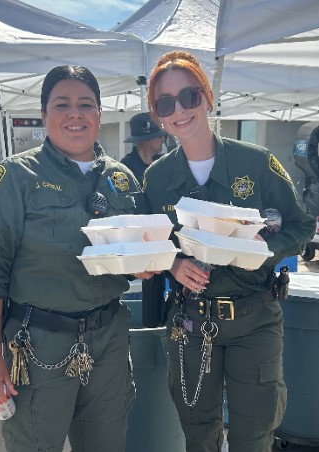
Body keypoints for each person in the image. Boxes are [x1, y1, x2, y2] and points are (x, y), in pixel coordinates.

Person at [140, 50, 316, 452]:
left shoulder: (256, 164)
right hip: (190, 323)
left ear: (207, 96)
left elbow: (302, 226)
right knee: (198, 431)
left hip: (254, 319)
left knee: (253, 434)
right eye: (165, 103)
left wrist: (262, 248)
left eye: (189, 96)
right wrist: (174, 263)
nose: (180, 110)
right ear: (158, 114)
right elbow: (149, 243)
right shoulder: (157, 178)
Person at [0, 65, 140, 452]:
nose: (75, 113)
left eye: (86, 104)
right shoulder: (16, 175)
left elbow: (137, 248)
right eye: (62, 104)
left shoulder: (121, 178)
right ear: (44, 115)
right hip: (39, 343)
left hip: (109, 338)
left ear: (100, 113)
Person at [121, 111, 168, 183]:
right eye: (161, 136)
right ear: (148, 139)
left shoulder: (163, 162)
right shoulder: (127, 166)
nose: (163, 139)